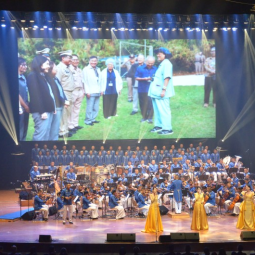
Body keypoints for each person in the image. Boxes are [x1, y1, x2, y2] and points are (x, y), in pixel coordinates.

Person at [27, 55, 55, 141]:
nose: (49, 66)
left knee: (46, 134)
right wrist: (42, 112)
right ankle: (34, 153)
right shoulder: (33, 76)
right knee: (40, 136)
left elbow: (48, 93)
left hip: (48, 109)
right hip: (42, 111)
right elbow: (35, 95)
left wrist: (52, 107)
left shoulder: (43, 75)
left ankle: (43, 153)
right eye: (47, 64)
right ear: (40, 65)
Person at [148, 47, 175, 135]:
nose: (158, 55)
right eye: (157, 53)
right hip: (156, 92)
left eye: (160, 53)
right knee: (157, 110)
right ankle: (159, 126)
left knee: (164, 110)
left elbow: (167, 77)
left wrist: (164, 90)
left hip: (161, 92)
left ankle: (168, 129)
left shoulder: (167, 63)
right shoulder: (162, 63)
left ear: (165, 54)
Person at [46, 61, 68, 140]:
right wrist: (64, 101)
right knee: (55, 127)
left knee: (57, 125)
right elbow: (55, 94)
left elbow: (61, 90)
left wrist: (66, 99)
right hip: (56, 106)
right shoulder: (49, 80)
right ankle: (53, 141)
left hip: (60, 105)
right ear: (50, 69)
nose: (57, 69)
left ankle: (54, 140)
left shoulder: (56, 78)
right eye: (55, 67)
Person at [56, 50, 75, 138]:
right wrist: (61, 97)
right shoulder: (59, 68)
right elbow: (57, 83)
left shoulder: (68, 67)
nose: (71, 59)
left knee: (68, 112)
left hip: (70, 92)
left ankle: (65, 129)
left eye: (71, 57)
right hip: (64, 93)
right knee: (64, 112)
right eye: (69, 58)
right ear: (63, 58)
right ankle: (61, 132)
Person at [135, 56, 157, 123]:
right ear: (146, 62)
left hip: (151, 89)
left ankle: (150, 118)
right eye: (149, 63)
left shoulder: (156, 68)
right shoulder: (140, 68)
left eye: (152, 63)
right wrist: (144, 79)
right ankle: (144, 117)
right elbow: (136, 77)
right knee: (142, 103)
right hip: (142, 89)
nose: (150, 64)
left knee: (150, 103)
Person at [83, 56, 102, 126]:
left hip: (97, 91)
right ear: (89, 61)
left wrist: (101, 90)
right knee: (90, 107)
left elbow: (100, 80)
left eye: (95, 61)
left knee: (96, 107)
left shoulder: (98, 69)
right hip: (90, 91)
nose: (94, 62)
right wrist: (87, 91)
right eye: (92, 61)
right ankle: (88, 120)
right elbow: (84, 81)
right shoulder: (86, 69)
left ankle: (93, 119)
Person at [69, 54, 85, 130]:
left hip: (80, 91)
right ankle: (70, 126)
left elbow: (82, 81)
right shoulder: (69, 69)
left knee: (77, 109)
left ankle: (75, 124)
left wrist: (83, 91)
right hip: (73, 91)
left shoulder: (79, 70)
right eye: (74, 60)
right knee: (70, 109)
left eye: (77, 60)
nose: (76, 61)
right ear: (71, 61)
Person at [18, 57, 29, 141]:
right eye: (23, 65)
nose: (25, 67)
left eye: (26, 65)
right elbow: (17, 95)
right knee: (20, 128)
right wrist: (25, 106)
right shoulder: (15, 78)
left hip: (25, 106)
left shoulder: (23, 77)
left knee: (25, 127)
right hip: (20, 108)